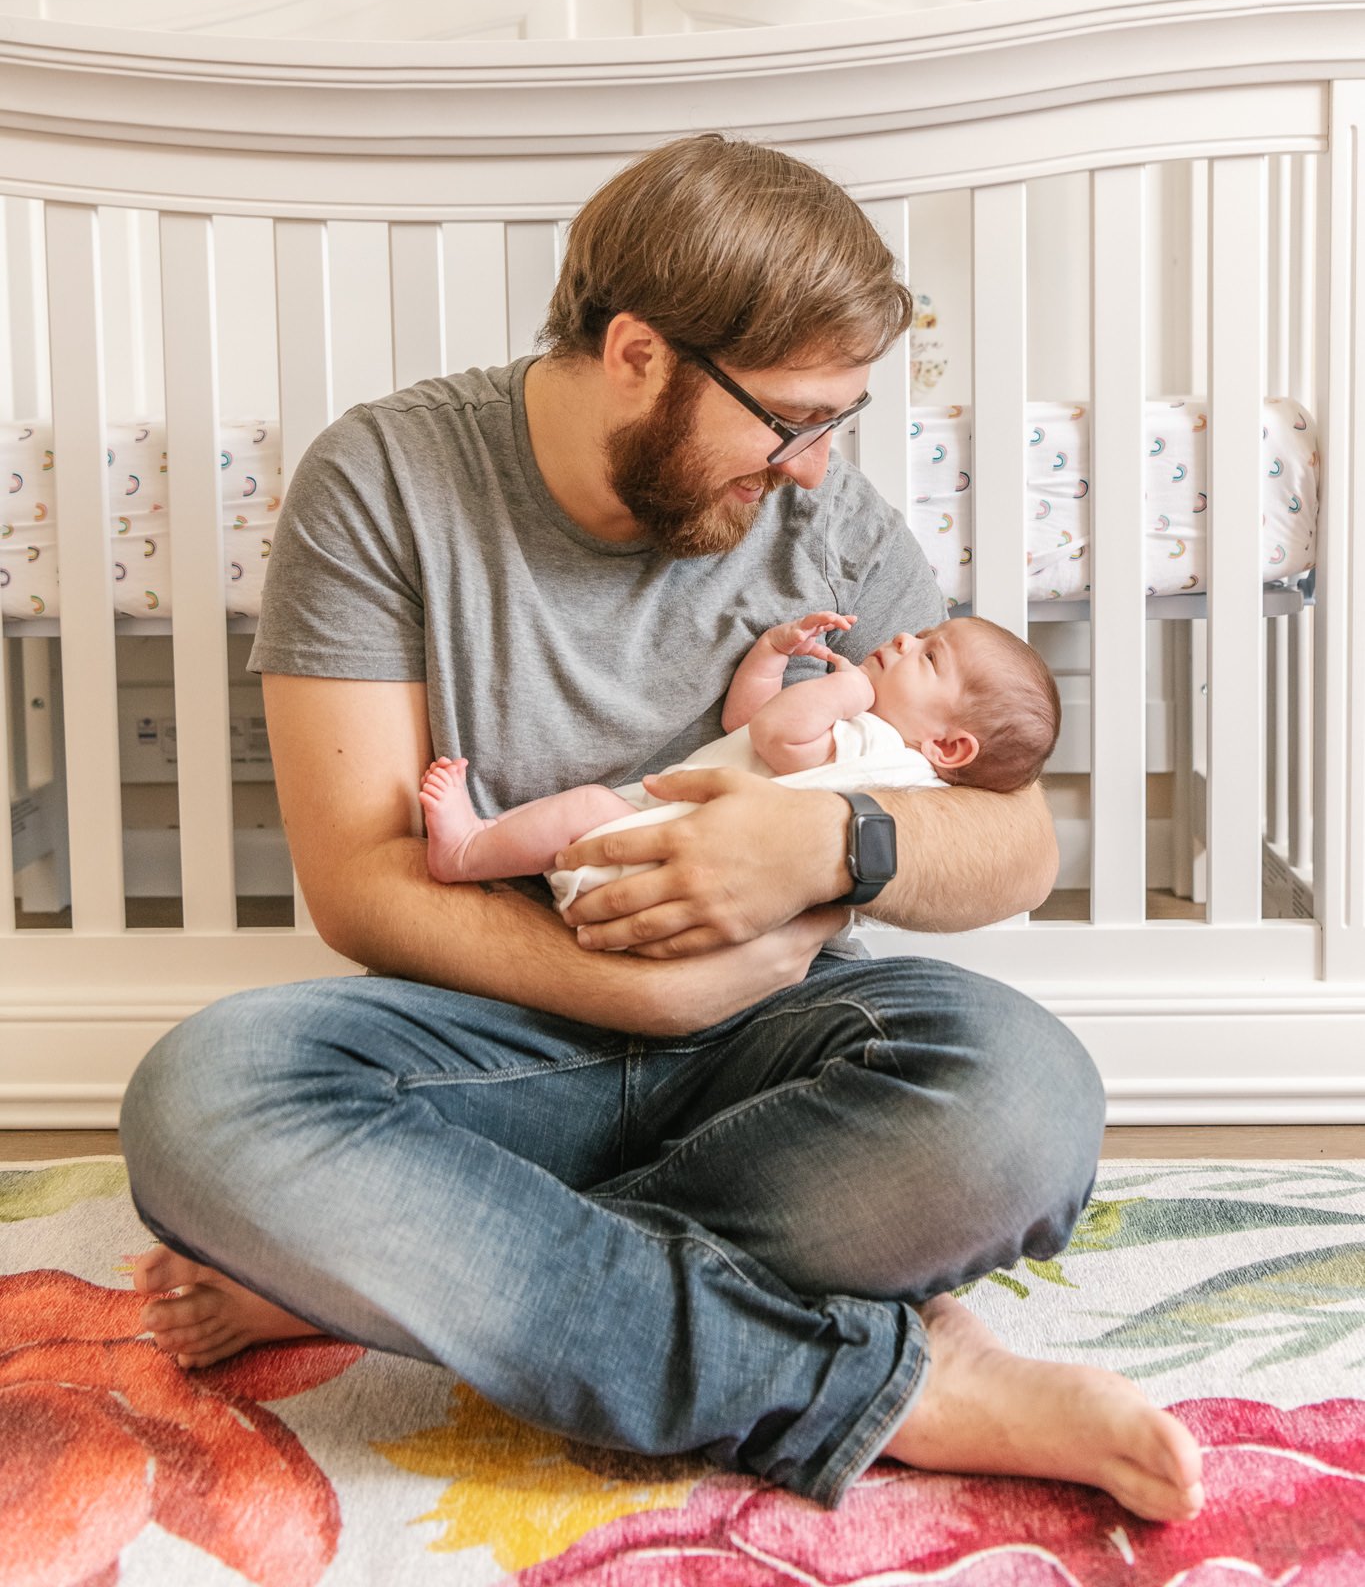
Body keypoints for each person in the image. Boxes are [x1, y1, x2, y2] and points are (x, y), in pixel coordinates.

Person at [119, 133, 1204, 1523]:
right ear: (637, 351)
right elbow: (365, 884)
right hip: (487, 1043)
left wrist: (831, 852)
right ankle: (887, 1377)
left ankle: (393, 1266)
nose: (813, 470)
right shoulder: (384, 479)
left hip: (773, 1051)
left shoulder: (835, 530)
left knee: (1024, 1100)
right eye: (792, 420)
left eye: (836, 426)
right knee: (205, 1104)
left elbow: (1015, 848)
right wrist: (645, 985)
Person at [418, 610, 1061, 898]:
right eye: (922, 633)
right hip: (687, 877)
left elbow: (776, 736)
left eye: (928, 655)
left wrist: (852, 685)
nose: (902, 637)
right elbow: (747, 725)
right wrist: (772, 656)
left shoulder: (879, 749)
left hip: (652, 853)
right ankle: (493, 839)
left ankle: (468, 850)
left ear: (949, 745)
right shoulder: (870, 743)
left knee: (589, 807)